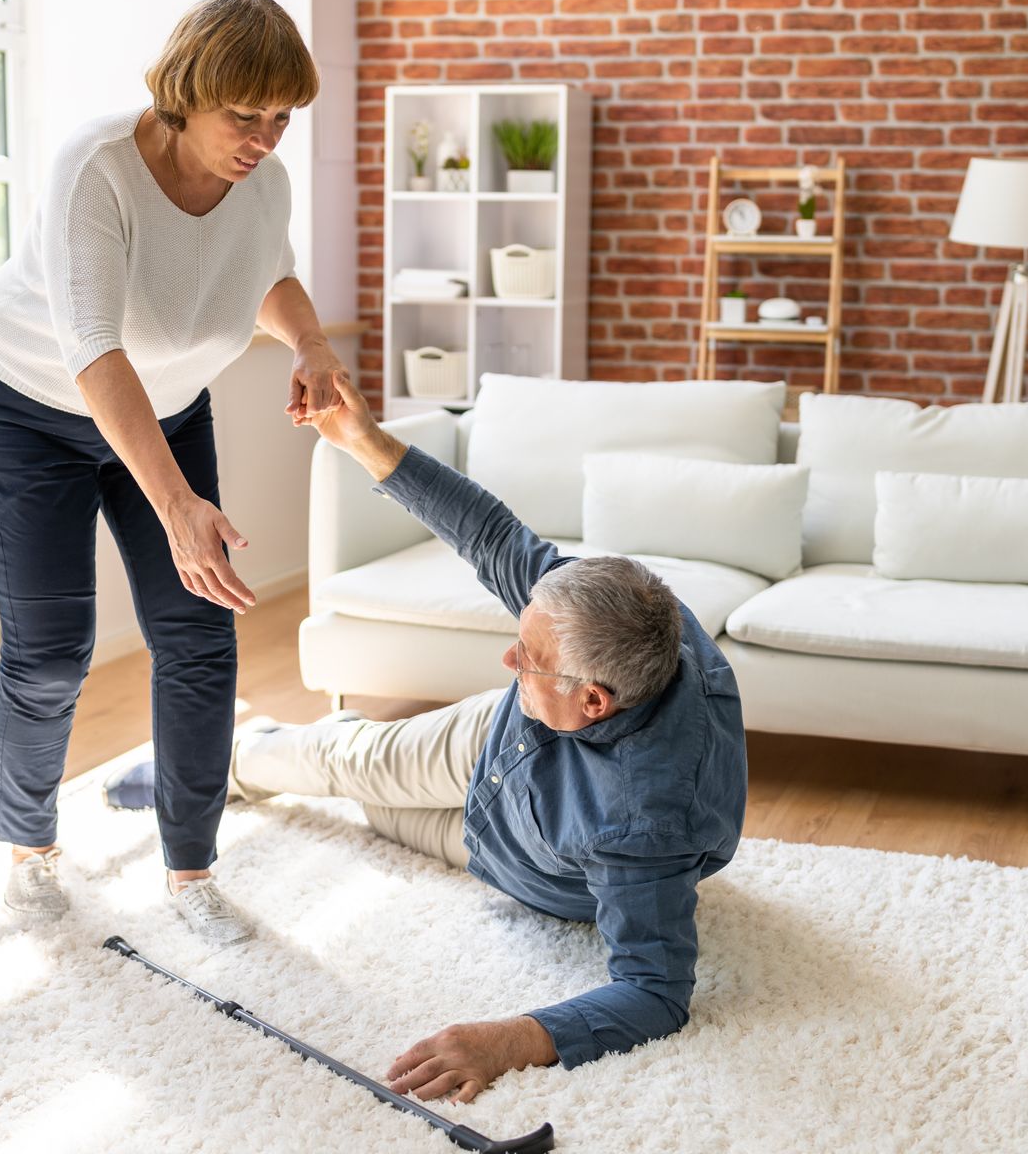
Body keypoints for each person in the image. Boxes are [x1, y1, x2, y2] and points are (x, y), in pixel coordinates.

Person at [227, 370, 748, 1102]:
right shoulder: (616, 611)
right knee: (343, 761)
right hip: (491, 741)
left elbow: (656, 992)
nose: (509, 658)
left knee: (372, 818)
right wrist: (366, 441)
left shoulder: (647, 820)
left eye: (527, 659)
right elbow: (492, 534)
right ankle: (225, 763)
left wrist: (509, 1040)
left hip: (516, 862)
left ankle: (316, 760)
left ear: (593, 700)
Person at [0, 0, 342, 944]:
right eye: (243, 116)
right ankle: (31, 850)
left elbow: (270, 276)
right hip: (29, 407)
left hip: (165, 407)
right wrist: (176, 504)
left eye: (282, 119)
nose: (263, 139)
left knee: (202, 637)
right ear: (184, 92)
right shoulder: (98, 166)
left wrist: (310, 343)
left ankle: (191, 873)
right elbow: (93, 347)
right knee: (50, 655)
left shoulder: (264, 182)